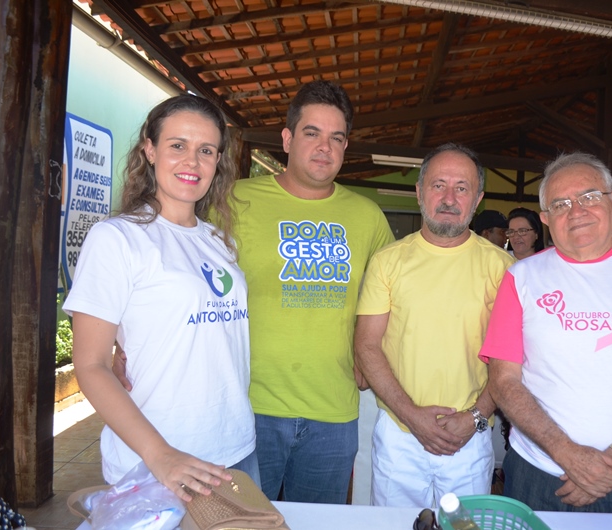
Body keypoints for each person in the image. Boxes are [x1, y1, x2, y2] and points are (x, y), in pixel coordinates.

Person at [481, 152, 612, 513]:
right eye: (561, 203)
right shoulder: (520, 278)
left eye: (589, 197)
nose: (576, 211)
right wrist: (569, 456)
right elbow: (504, 381)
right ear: (547, 219)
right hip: (539, 472)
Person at [64, 95, 256, 501]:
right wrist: (161, 455)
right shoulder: (117, 238)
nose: (193, 161)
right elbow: (91, 365)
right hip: (156, 461)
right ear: (149, 150)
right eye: (177, 146)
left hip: (236, 450)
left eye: (206, 150)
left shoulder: (220, 242)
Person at [233, 80, 394, 503]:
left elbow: (390, 301)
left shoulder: (367, 216)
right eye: (311, 133)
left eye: (336, 138)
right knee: (242, 522)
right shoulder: (234, 201)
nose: (325, 147)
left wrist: (373, 355)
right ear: (287, 139)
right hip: (248, 406)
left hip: (334, 412)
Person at [354, 143, 515, 508]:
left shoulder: (503, 269)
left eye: (462, 188)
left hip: (470, 437)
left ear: (477, 199)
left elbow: (512, 357)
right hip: (399, 435)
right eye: (438, 185)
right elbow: (367, 345)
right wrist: (411, 416)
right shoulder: (388, 262)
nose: (449, 197)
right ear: (419, 192)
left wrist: (475, 416)